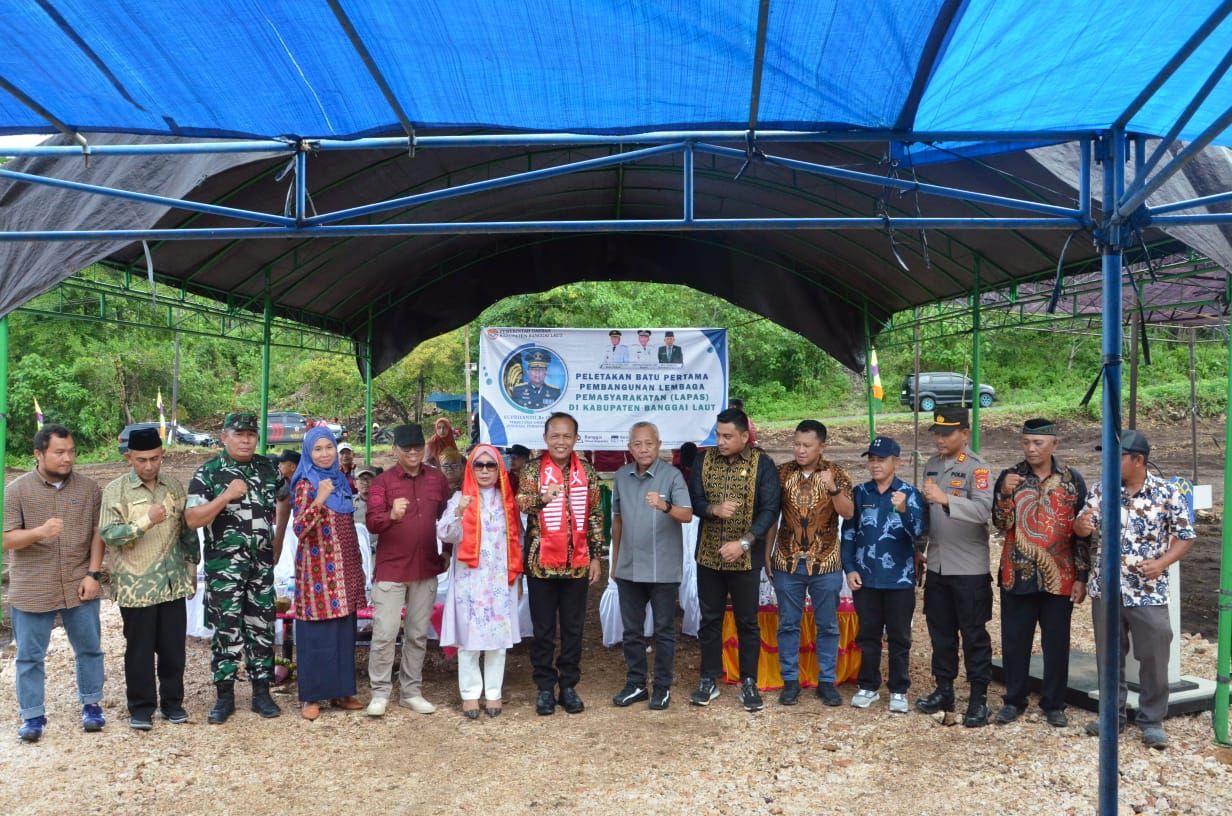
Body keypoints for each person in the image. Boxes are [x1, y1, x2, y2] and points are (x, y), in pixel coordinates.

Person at [1074, 430, 1195, 749]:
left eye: (1115, 457)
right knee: (1109, 655)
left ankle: (1152, 719)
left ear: (1138, 460)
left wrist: (1161, 563)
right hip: (1107, 590)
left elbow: (1185, 536)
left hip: (1147, 590)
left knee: (1155, 650)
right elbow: (1080, 525)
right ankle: (1111, 715)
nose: (1106, 462)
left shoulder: (1166, 493)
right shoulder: (1102, 490)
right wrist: (1082, 526)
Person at [185, 412, 290, 724]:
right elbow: (192, 519)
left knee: (261, 627)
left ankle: (261, 692)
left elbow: (285, 499)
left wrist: (279, 538)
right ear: (224, 437)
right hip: (224, 569)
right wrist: (225, 496)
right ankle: (225, 696)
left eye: (251, 434)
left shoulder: (268, 467)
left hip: (260, 565)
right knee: (226, 629)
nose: (246, 440)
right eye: (239, 434)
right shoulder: (208, 473)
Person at [3, 424, 105, 742]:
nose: (68, 458)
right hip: (33, 588)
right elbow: (7, 539)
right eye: (59, 452)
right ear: (39, 454)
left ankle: (92, 705)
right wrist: (38, 533)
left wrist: (93, 574)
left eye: (72, 451)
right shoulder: (16, 490)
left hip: (79, 584)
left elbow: (97, 535)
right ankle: (32, 716)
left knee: (89, 650)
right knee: (30, 656)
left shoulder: (89, 489)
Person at [992, 418, 1090, 728]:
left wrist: (1082, 576)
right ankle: (1014, 700)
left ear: (1054, 444)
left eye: (1038, 443)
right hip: (1017, 573)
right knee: (1015, 641)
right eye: (1026, 443)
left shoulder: (1072, 480)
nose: (1031, 449)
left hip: (1059, 576)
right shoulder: (1010, 477)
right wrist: (1005, 496)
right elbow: (1000, 525)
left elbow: (1083, 533)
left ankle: (1053, 703)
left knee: (1057, 643)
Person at [99, 427, 198, 730]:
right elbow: (109, 534)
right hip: (136, 586)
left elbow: (187, 531)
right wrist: (144, 521)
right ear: (129, 457)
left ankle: (173, 704)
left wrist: (192, 567)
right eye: (141, 459)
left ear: (162, 455)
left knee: (173, 650)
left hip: (171, 584)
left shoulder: (173, 486)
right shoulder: (115, 491)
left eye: (155, 458)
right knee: (139, 651)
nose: (149, 465)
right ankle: (141, 709)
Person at [687, 407, 781, 712]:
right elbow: (695, 501)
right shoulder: (703, 460)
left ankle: (749, 681)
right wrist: (713, 509)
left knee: (747, 622)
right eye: (718, 434)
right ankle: (708, 678)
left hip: (744, 559)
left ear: (744, 436)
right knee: (710, 619)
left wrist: (744, 543)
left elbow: (770, 509)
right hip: (709, 556)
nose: (722, 441)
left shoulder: (762, 464)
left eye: (728, 436)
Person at [516, 412, 604, 715]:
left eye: (567, 436)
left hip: (577, 563)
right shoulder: (531, 469)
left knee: (573, 628)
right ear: (545, 439)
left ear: (576, 439)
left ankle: (568, 686)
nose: (561, 441)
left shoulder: (588, 472)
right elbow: (521, 502)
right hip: (540, 563)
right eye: (555, 435)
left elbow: (595, 515)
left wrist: (596, 556)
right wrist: (542, 497)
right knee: (542, 629)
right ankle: (544, 687)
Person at [915, 408, 995, 727]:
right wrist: (919, 550)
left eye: (947, 433)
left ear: (965, 433)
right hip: (938, 565)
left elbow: (984, 510)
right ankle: (944, 689)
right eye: (937, 433)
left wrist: (946, 499)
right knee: (941, 633)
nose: (940, 439)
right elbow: (925, 514)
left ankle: (978, 698)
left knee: (973, 634)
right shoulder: (931, 465)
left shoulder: (977, 468)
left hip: (969, 567)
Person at [364, 424, 451, 716]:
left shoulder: (437, 479)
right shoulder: (382, 482)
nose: (412, 452)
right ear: (395, 450)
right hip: (391, 569)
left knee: (417, 634)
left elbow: (448, 520)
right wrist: (391, 514)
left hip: (426, 566)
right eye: (406, 448)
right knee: (385, 633)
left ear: (424, 448)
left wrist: (448, 551)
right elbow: (372, 523)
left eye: (417, 447)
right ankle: (380, 692)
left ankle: (411, 690)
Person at [765, 420, 853, 706]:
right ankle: (790, 681)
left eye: (807, 445)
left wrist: (833, 490)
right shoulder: (782, 473)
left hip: (825, 562)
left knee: (827, 625)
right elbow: (770, 516)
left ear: (822, 446)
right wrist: (767, 553)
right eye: (796, 444)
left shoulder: (836, 473)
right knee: (788, 623)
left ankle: (826, 681)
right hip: (786, 562)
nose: (800, 450)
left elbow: (849, 513)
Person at [609, 422, 694, 710]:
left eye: (648, 443)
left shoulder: (672, 476)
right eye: (637, 444)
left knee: (663, 630)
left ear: (658, 445)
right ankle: (636, 684)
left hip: (663, 569)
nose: (643, 449)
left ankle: (662, 687)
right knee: (631, 632)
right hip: (629, 567)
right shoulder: (621, 476)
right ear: (629, 447)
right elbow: (617, 520)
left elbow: (687, 515)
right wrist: (615, 559)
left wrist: (665, 506)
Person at [436, 445, 524, 718]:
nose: (484, 470)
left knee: (497, 639)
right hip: (469, 580)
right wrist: (459, 511)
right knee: (469, 638)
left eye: (490, 465)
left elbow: (517, 541)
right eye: (479, 465)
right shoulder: (460, 498)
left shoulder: (507, 500)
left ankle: (494, 693)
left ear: (499, 469)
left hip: (498, 579)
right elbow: (444, 533)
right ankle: (471, 694)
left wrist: (517, 577)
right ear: (470, 468)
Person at [841, 436, 927, 714]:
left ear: (896, 462)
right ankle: (868, 685)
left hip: (899, 578)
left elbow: (920, 534)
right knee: (868, 633)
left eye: (882, 459)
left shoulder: (910, 494)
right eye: (872, 459)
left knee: (899, 635)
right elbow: (849, 533)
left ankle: (899, 689)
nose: (875, 465)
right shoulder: (860, 493)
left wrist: (903, 511)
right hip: (866, 577)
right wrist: (850, 567)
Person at [287, 427, 366, 720]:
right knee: (317, 635)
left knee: (344, 633)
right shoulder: (306, 483)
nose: (324, 454)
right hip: (318, 575)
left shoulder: (341, 481)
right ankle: (311, 696)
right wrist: (319, 500)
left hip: (345, 571)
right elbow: (299, 529)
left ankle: (342, 692)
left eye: (329, 448)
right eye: (318, 449)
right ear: (309, 452)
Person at [353, 464, 378, 528]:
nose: (365, 482)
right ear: (355, 484)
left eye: (369, 478)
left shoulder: (385, 504)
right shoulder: (349, 504)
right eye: (361, 479)